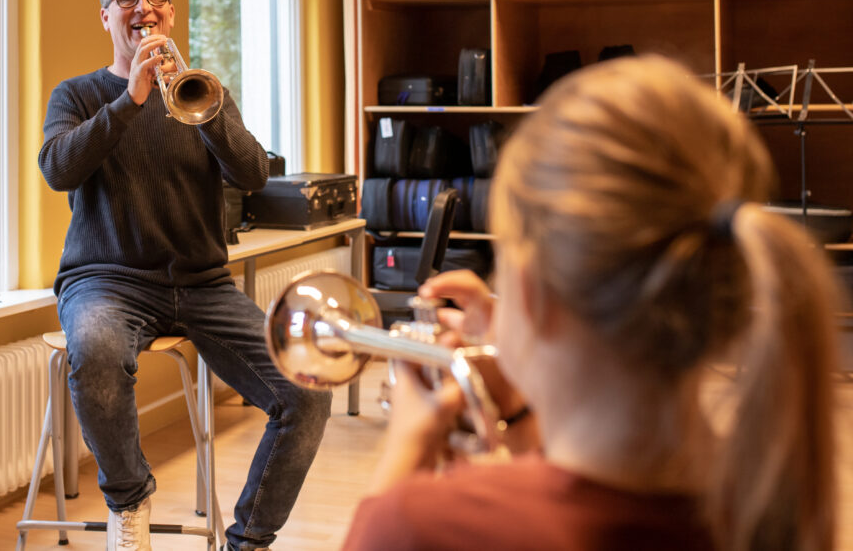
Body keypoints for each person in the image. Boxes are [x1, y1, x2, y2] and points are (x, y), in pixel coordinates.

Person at [342, 55, 842, 550]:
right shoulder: (764, 503)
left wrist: (404, 450)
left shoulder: (418, 527)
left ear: (532, 292)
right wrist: (521, 415)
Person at [38, 0, 331, 551]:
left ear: (170, 13)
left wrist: (209, 110)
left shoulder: (204, 94)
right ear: (106, 15)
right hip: (107, 281)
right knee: (93, 353)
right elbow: (58, 169)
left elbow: (252, 175)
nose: (142, 7)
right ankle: (129, 499)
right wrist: (132, 101)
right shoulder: (78, 95)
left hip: (202, 285)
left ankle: (248, 539)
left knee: (306, 389)